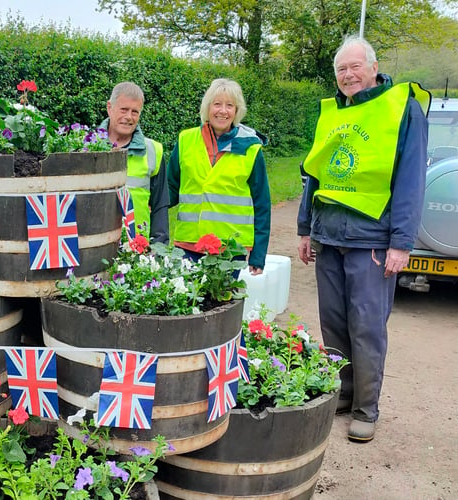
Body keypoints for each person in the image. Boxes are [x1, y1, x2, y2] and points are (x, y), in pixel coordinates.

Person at [296, 36, 430, 443]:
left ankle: (367, 409)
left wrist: (401, 242)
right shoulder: (333, 112)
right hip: (329, 236)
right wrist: (305, 227)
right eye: (341, 69)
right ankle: (344, 392)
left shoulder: (401, 109)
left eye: (355, 66)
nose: (348, 75)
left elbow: (410, 180)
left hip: (372, 239)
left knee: (367, 327)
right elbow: (314, 173)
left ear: (373, 67)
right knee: (333, 324)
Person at [167, 78, 270, 274]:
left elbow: (262, 204)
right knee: (185, 300)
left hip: (230, 248)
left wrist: (258, 254)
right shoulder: (185, 140)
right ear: (207, 108)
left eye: (229, 105)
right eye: (217, 104)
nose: (223, 111)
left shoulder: (251, 147)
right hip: (190, 244)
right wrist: (145, 206)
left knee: (222, 303)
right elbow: (170, 187)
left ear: (237, 111)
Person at [100, 82, 169, 244]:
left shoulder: (153, 150)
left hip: (137, 247)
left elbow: (160, 206)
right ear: (109, 107)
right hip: (96, 244)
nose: (129, 117)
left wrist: (159, 248)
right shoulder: (85, 147)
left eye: (135, 112)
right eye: (123, 110)